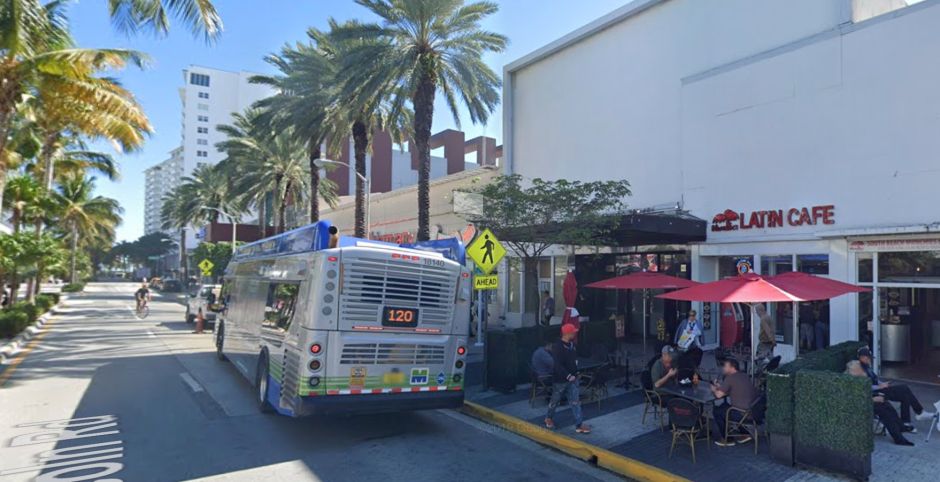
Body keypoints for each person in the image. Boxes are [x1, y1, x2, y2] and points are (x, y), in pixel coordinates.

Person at [857, 346, 935, 430]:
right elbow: (865, 386)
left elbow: (875, 379)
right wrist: (879, 386)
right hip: (875, 393)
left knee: (904, 394)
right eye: (868, 358)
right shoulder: (859, 369)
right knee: (904, 389)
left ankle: (906, 422)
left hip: (880, 388)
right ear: (862, 357)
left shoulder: (867, 367)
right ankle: (919, 413)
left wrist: (882, 383)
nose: (870, 360)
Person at [846, 360, 914, 446]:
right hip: (862, 404)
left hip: (867, 399)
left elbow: (865, 392)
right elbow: (856, 399)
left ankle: (900, 427)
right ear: (854, 370)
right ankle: (898, 438)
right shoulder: (850, 382)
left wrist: (876, 395)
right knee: (884, 410)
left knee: (887, 404)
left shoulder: (859, 377)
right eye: (859, 367)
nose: (861, 368)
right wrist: (874, 399)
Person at [545, 324, 592, 434]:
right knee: (555, 400)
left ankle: (579, 425)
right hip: (560, 380)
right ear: (567, 333)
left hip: (573, 379)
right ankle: (548, 418)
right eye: (573, 332)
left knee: (575, 402)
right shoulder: (558, 347)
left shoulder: (572, 345)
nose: (575, 333)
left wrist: (576, 373)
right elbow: (557, 365)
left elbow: (574, 361)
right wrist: (568, 376)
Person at [711, 359, 757, 447]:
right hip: (751, 411)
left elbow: (718, 395)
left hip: (741, 413)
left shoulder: (730, 378)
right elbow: (734, 389)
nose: (723, 368)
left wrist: (714, 389)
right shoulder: (744, 375)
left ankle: (726, 439)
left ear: (732, 367)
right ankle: (744, 434)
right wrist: (720, 387)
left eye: (725, 366)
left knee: (717, 411)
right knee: (724, 406)